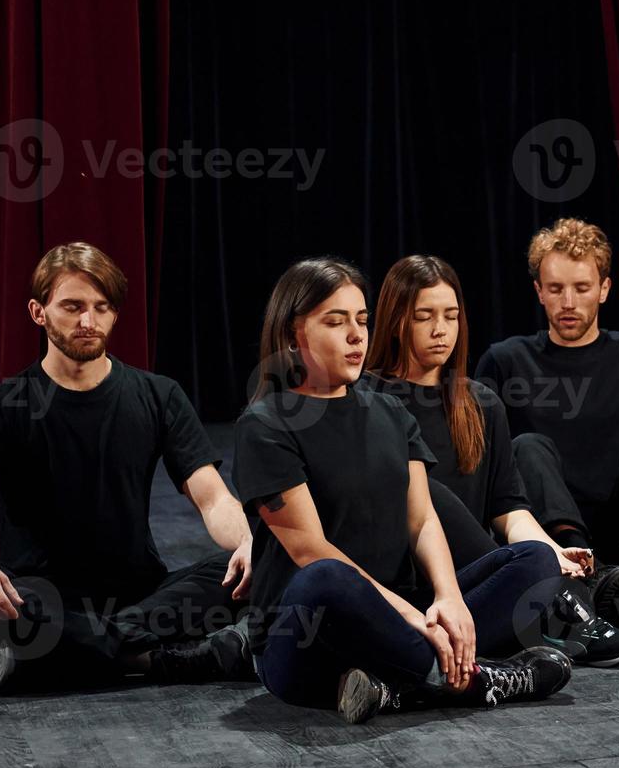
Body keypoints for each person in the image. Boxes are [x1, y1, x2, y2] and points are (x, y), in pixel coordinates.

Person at [234, 258, 572, 725]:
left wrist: (447, 599)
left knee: (535, 559)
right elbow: (311, 551)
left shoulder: (390, 412)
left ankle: (399, 689)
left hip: (400, 618)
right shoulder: (266, 425)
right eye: (336, 322)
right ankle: (478, 680)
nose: (356, 335)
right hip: (309, 639)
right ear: (294, 334)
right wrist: (414, 621)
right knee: (325, 577)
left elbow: (421, 519)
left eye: (361, 320)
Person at [0, 243, 255, 695]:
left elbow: (213, 497)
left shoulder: (159, 395)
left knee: (253, 567)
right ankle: (157, 660)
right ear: (38, 312)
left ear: (115, 314)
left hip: (141, 594)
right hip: (39, 599)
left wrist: (248, 541)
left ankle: (63, 656)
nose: (89, 321)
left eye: (102, 308)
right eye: (73, 306)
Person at [366, 254, 619, 666]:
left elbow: (507, 508)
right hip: (407, 588)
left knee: (539, 559)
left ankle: (559, 612)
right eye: (424, 316)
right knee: (427, 491)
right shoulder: (369, 399)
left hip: (473, 588)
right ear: (395, 320)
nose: (441, 330)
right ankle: (564, 618)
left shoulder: (480, 402)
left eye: (451, 316)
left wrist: (552, 551)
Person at [475, 217, 619, 621]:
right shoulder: (506, 359)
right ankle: (581, 572)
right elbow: (491, 463)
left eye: (582, 288)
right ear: (539, 292)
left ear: (604, 289)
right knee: (528, 445)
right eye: (555, 289)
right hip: (546, 527)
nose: (568, 302)